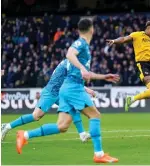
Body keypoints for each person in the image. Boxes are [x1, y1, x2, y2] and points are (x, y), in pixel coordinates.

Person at [16, 18, 119, 163]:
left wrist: (103, 77)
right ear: (91, 29)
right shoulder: (81, 43)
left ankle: (25, 135)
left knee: (62, 126)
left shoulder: (84, 49)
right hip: (73, 87)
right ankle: (99, 154)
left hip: (66, 88)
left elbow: (84, 73)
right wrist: (83, 68)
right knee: (95, 115)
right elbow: (69, 54)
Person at [1, 59, 117, 142]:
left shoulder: (69, 63)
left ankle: (82, 134)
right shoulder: (71, 64)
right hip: (51, 92)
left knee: (73, 108)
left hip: (61, 92)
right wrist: (88, 90)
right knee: (36, 116)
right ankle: (7, 126)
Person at [107, 21, 150, 112]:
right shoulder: (137, 35)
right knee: (149, 83)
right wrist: (114, 41)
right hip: (142, 64)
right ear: (148, 28)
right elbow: (124, 39)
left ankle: (131, 99)